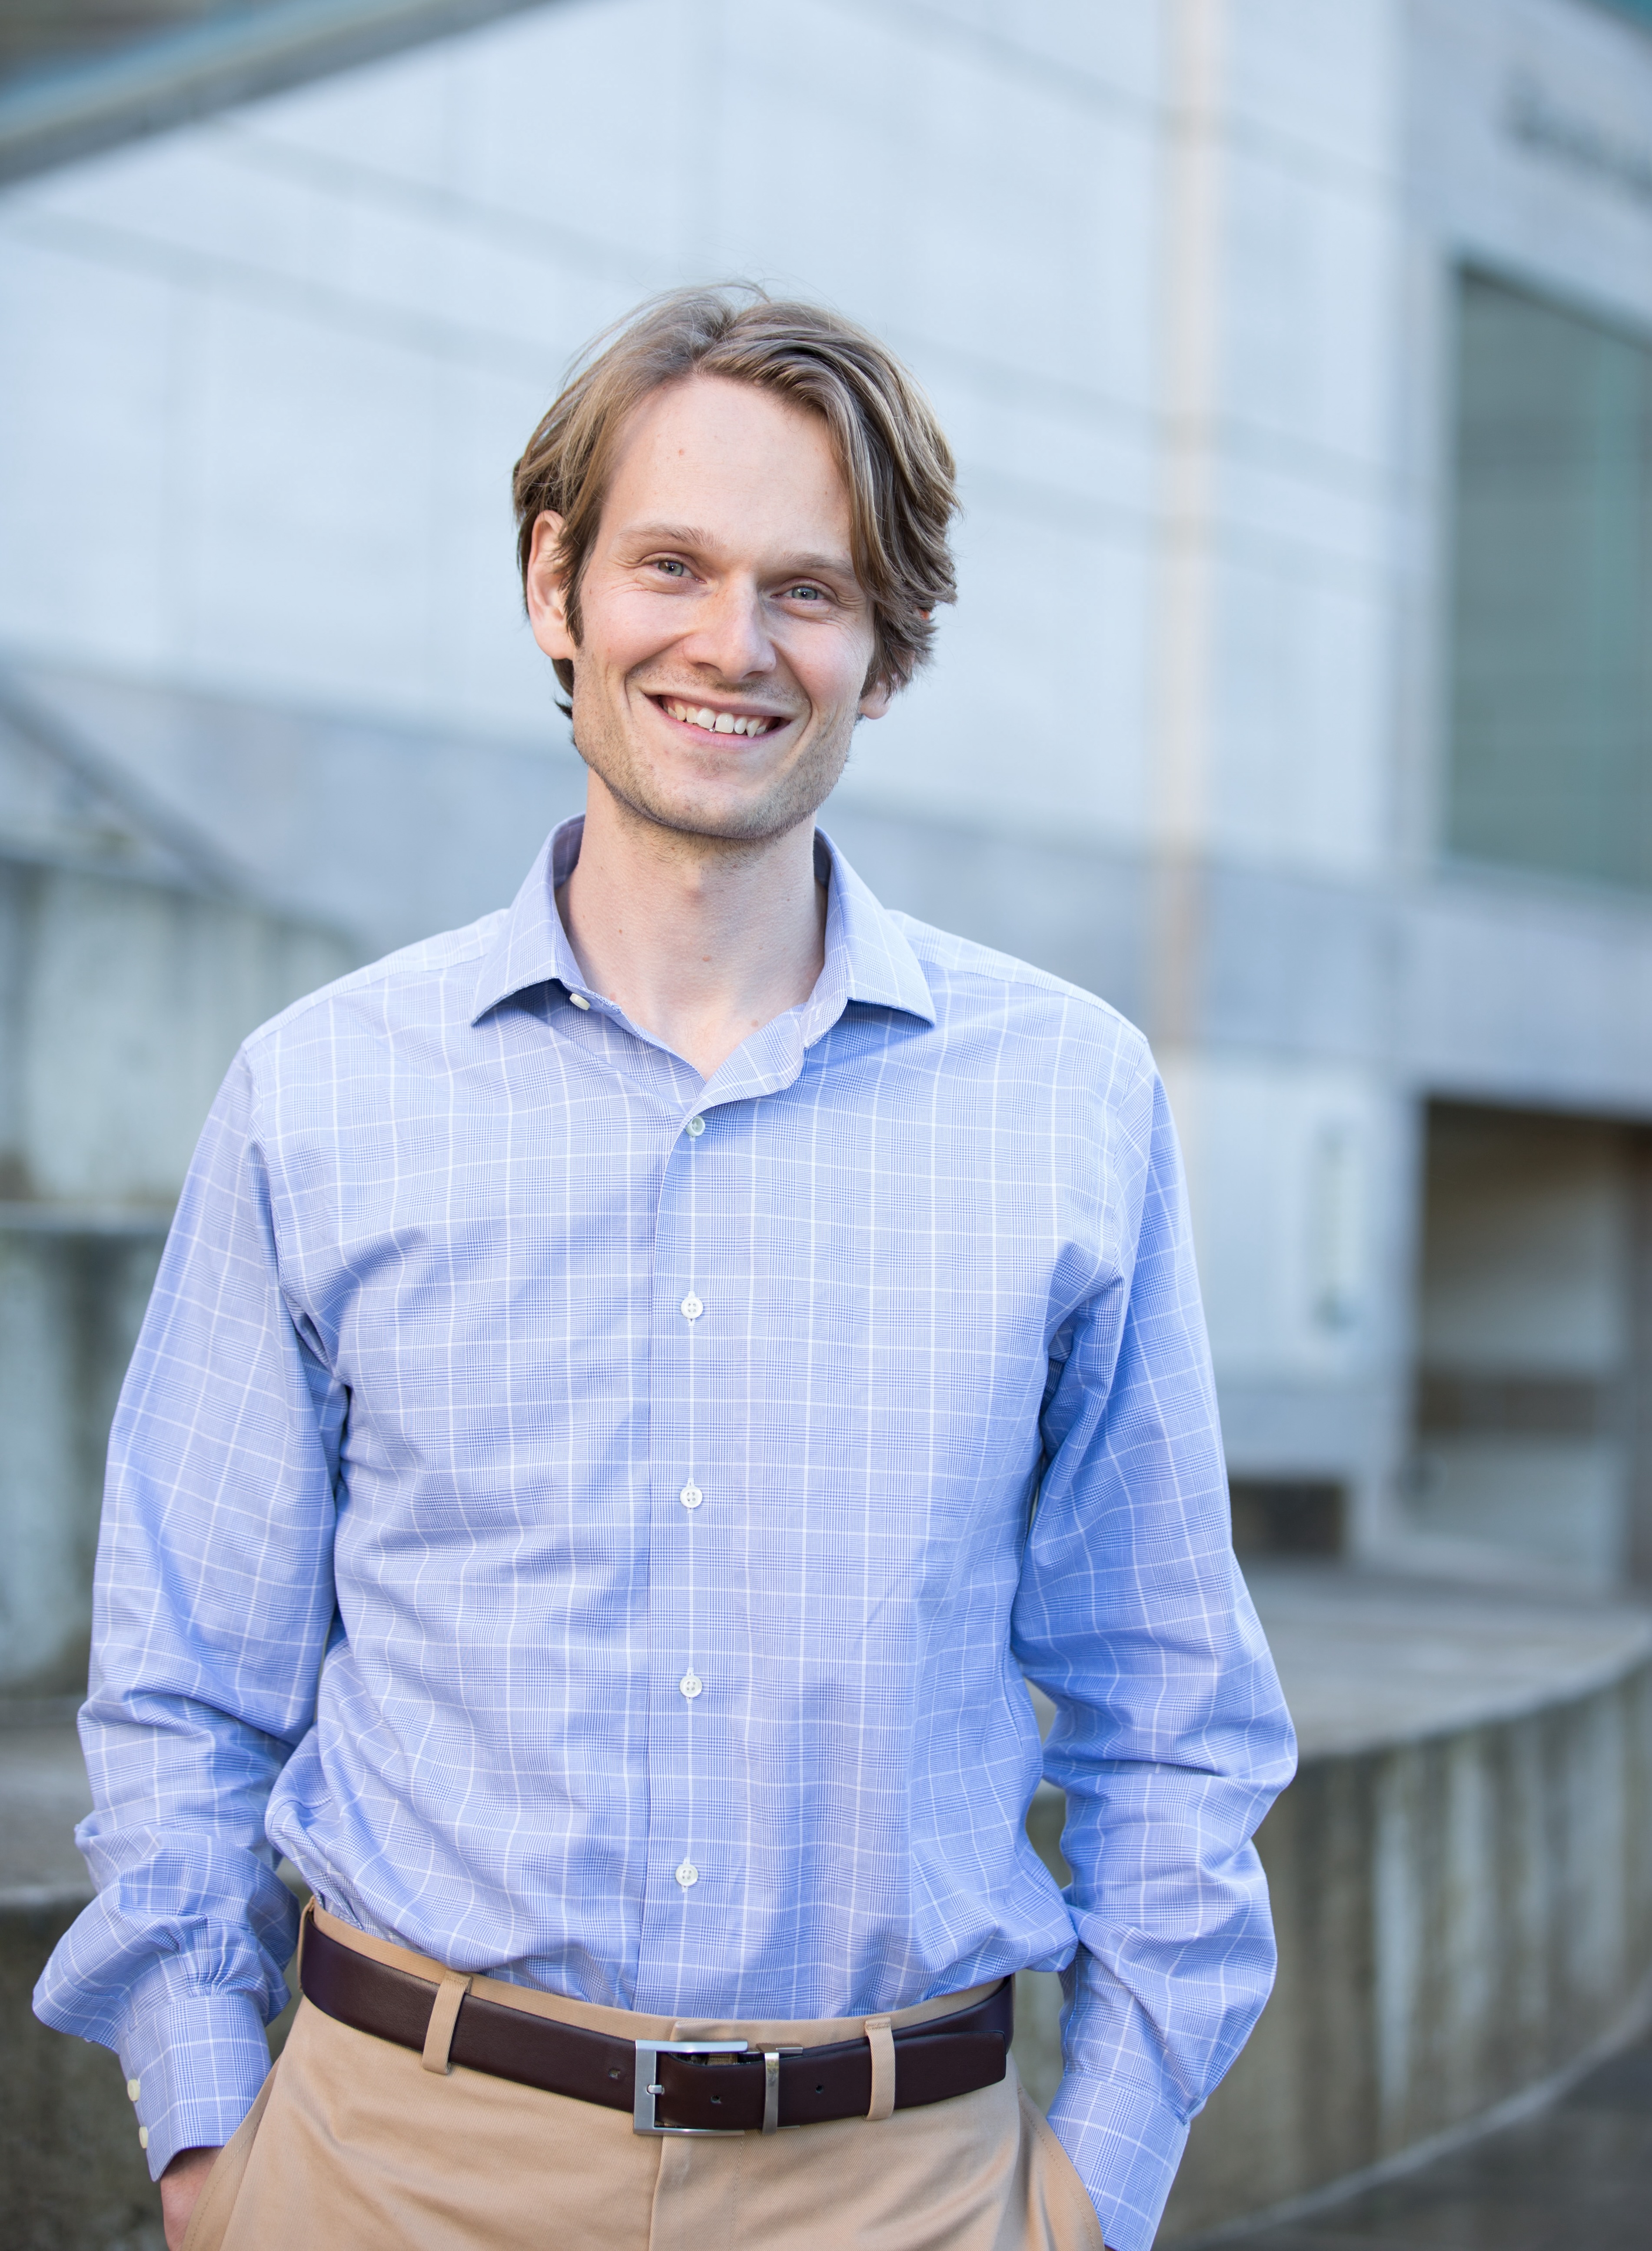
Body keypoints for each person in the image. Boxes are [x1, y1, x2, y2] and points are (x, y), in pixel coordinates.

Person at [35, 286, 1295, 2251]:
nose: (734, 642)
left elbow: (1171, 1702)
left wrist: (1090, 2185)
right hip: (389, 2169)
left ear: (884, 647)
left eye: (811, 587)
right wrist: (214, 2155)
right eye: (674, 565)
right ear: (557, 583)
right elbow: (188, 1682)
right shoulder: (325, 1093)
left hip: (904, 2187)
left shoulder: (1071, 1100)